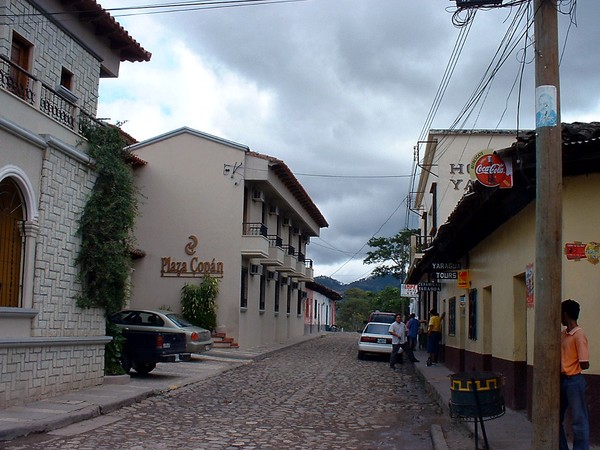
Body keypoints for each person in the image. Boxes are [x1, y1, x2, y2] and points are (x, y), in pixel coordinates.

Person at [560, 299, 590, 450]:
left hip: (574, 380)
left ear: (565, 314)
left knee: (578, 420)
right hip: (563, 380)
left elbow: (584, 362)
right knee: (556, 417)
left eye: (560, 313)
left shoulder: (579, 335)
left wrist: (570, 364)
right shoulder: (563, 334)